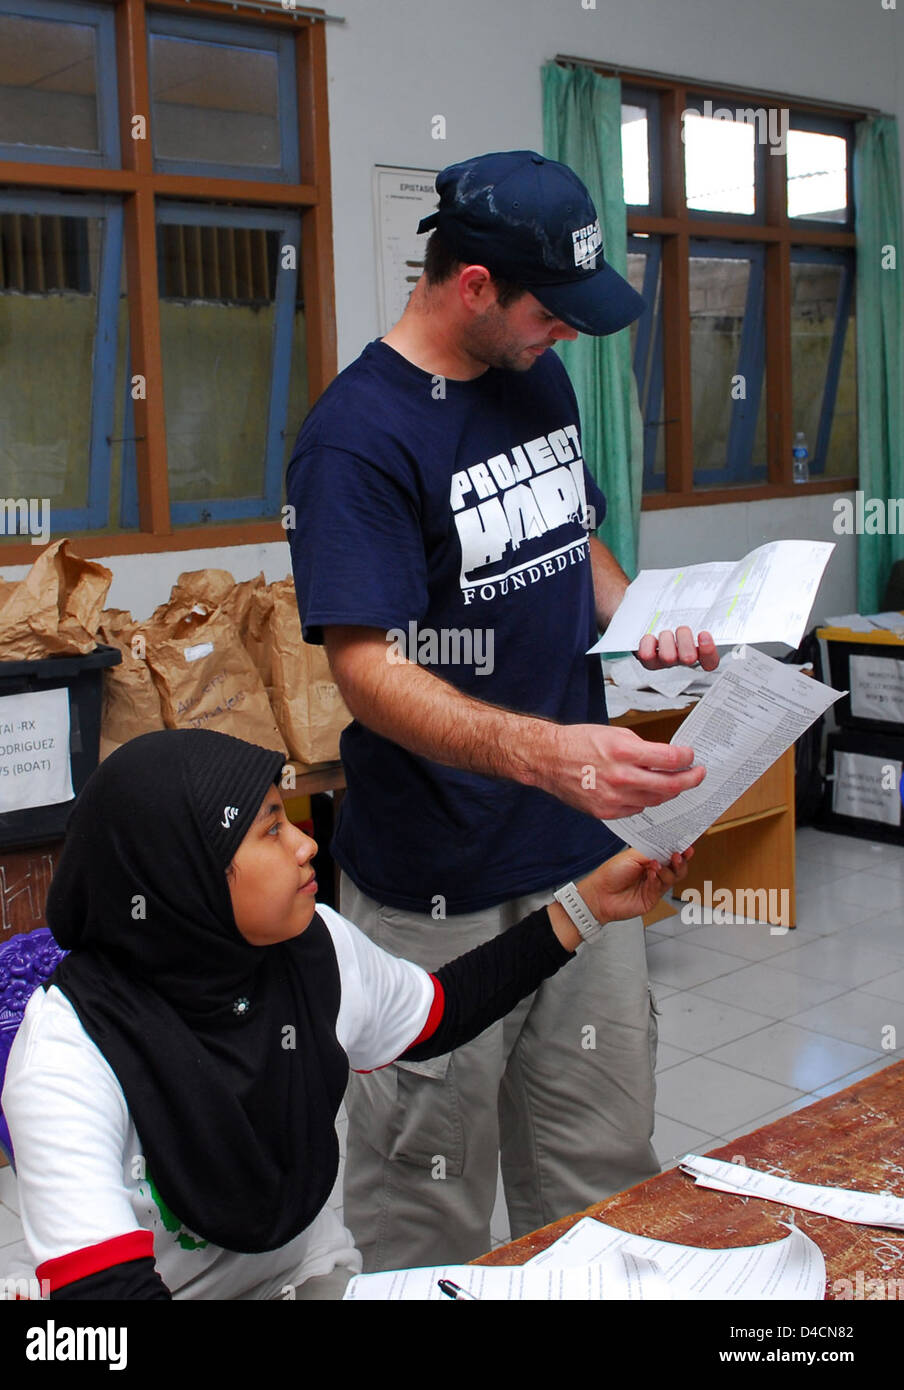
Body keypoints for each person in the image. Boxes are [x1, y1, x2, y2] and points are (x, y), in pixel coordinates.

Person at [286, 149, 719, 1270]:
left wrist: (646, 620)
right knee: (423, 1204)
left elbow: (570, 540)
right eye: (547, 310)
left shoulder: (535, 372)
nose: (563, 333)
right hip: (434, 885)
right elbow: (367, 669)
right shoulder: (356, 438)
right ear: (471, 284)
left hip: (580, 854)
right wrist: (545, 755)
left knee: (604, 1168)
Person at [1, 728, 691, 1299]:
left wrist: (588, 905)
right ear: (186, 878)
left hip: (303, 1275)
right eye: (272, 831)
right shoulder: (66, 1054)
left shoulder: (310, 947)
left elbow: (440, 1014)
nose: (306, 844)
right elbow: (103, 1303)